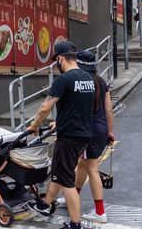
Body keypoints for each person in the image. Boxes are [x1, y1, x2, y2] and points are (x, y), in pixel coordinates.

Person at [26, 40, 96, 229]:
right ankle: (45, 204)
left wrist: (33, 125)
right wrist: (60, 121)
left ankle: (75, 224)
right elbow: (81, 106)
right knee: (59, 171)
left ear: (61, 58)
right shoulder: (87, 78)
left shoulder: (63, 80)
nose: (57, 64)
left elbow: (44, 108)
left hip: (69, 137)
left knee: (66, 181)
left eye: (57, 60)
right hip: (83, 134)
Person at [75, 50, 115, 225]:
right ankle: (72, 196)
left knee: (91, 168)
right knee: (82, 165)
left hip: (87, 130)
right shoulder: (100, 81)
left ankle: (100, 212)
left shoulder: (81, 82)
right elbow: (109, 109)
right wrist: (110, 131)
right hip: (100, 129)